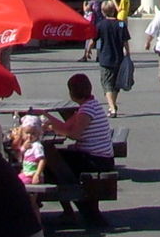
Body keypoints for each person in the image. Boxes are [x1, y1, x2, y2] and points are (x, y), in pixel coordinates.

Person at [42, 72, 115, 227]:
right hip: (96, 156)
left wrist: (51, 126)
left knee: (52, 163)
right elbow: (65, 126)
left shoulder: (87, 110)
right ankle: (71, 207)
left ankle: (71, 207)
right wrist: (45, 116)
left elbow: (74, 134)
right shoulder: (90, 104)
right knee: (54, 159)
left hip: (96, 159)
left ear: (72, 92)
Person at [95, 7, 132, 117]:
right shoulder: (121, 24)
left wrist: (88, 51)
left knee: (107, 83)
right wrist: (128, 53)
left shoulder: (101, 25)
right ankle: (113, 105)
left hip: (105, 58)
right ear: (113, 11)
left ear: (103, 12)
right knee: (116, 84)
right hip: (118, 57)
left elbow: (94, 39)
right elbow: (125, 41)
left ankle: (112, 108)